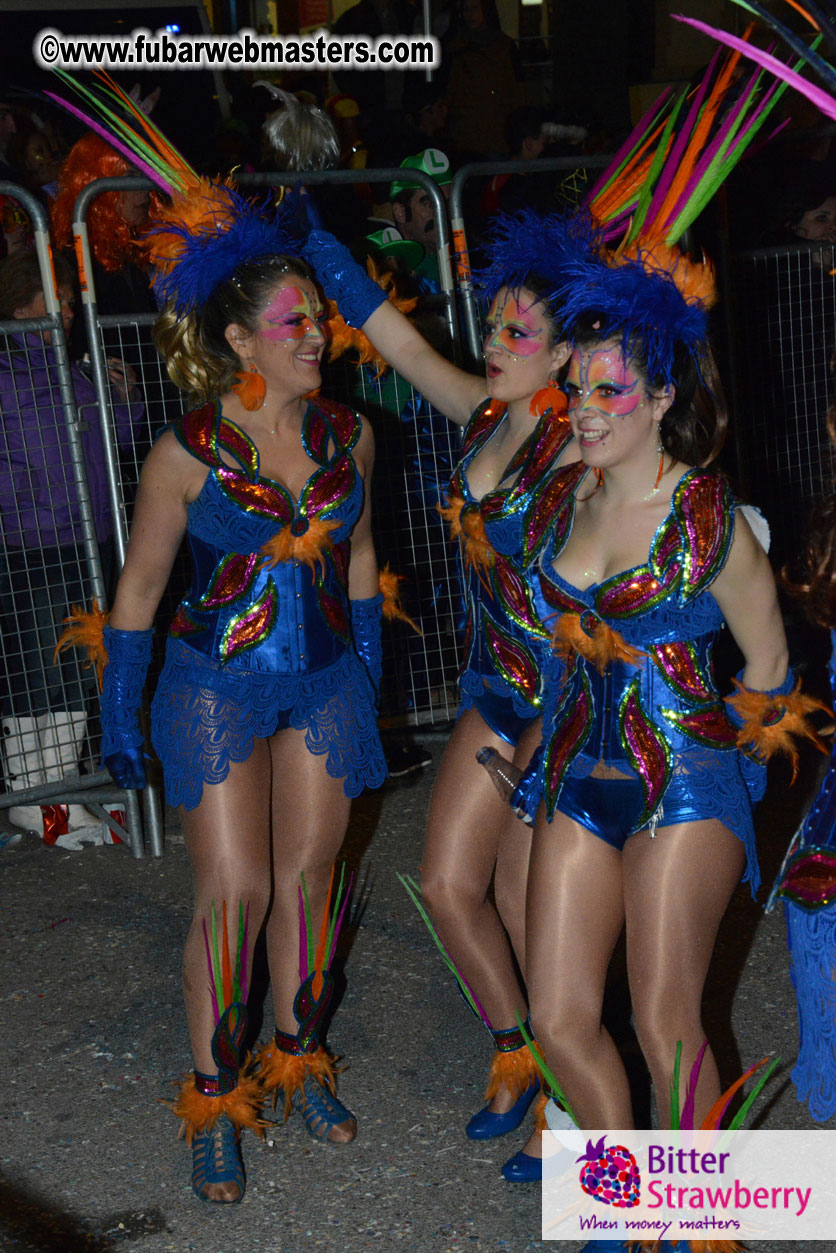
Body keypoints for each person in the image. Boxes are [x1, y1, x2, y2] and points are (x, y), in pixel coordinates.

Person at [49, 73, 387, 1205]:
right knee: (235, 892)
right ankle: (212, 1090)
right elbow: (139, 589)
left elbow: (355, 562)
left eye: (320, 316)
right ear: (239, 335)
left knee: (310, 880)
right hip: (214, 683)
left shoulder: (354, 435)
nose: (318, 333)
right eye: (296, 322)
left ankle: (295, 1058)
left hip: (328, 681)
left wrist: (369, 682)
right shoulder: (183, 452)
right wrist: (122, 710)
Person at [302, 205, 582, 1154]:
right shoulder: (490, 410)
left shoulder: (584, 444)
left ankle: (570, 1105)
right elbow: (406, 349)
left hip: (567, 699)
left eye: (519, 333)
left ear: (566, 353)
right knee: (447, 883)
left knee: (533, 907)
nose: (495, 343)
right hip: (493, 684)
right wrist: (327, 259)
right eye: (493, 325)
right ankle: (521, 1055)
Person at [0, 251, 142, 845]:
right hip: (29, 541)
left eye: (63, 297)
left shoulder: (75, 368)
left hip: (87, 537)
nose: (61, 308)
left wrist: (124, 398)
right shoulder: (7, 373)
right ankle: (33, 797)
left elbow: (115, 446)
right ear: (17, 305)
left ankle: (57, 793)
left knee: (78, 667)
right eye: (48, 297)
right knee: (37, 670)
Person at [389, 148, 453, 292]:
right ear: (401, 213)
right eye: (430, 204)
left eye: (448, 203)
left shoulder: (465, 259)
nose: (444, 214)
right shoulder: (392, 277)